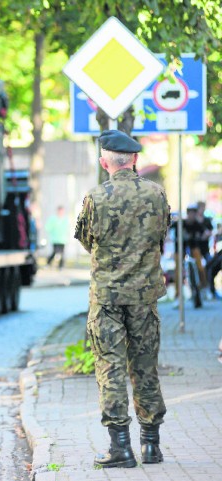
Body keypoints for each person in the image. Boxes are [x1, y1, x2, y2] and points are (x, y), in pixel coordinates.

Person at [74, 130, 170, 469]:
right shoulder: (157, 194)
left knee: (110, 367)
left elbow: (86, 238)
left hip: (107, 299)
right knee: (145, 367)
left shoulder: (95, 197)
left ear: (105, 162)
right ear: (134, 160)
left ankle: (120, 448)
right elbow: (162, 236)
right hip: (145, 297)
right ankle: (151, 446)